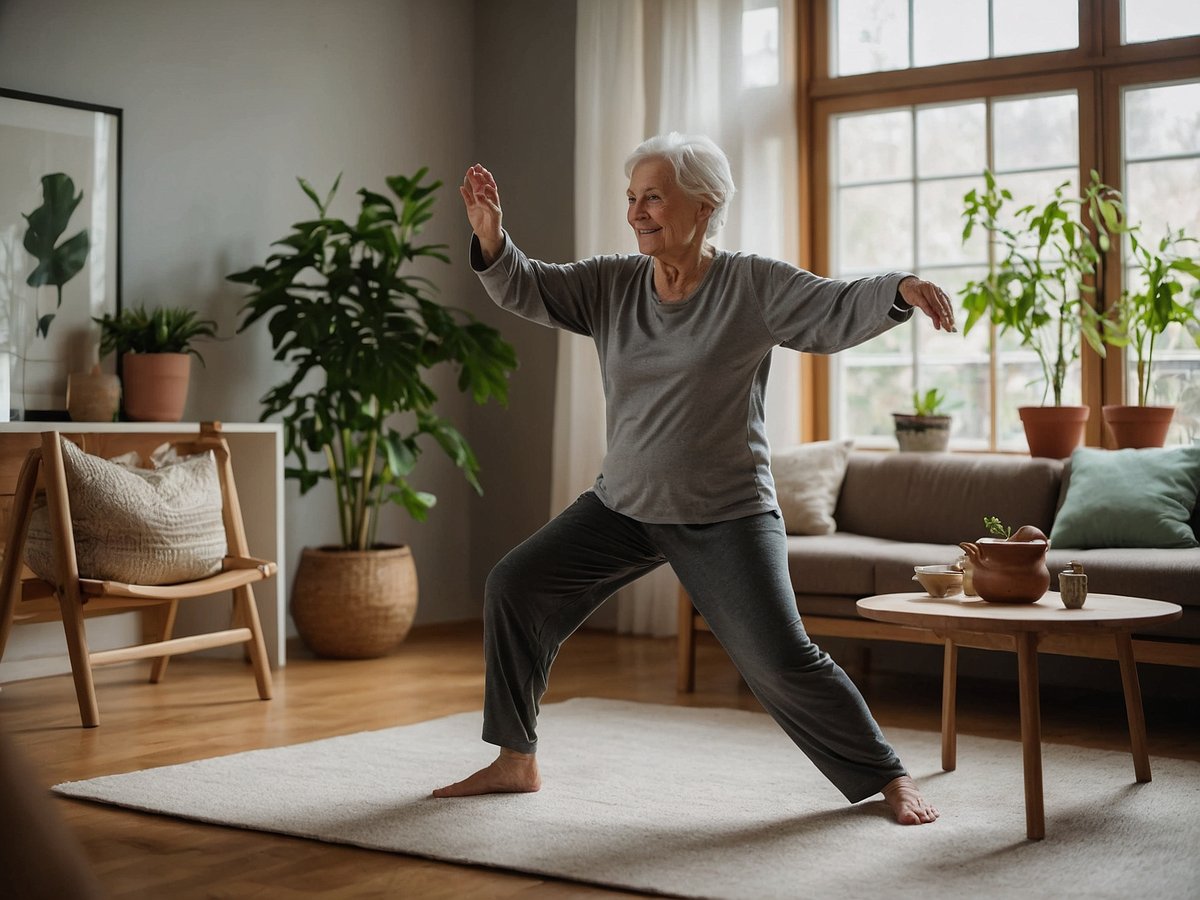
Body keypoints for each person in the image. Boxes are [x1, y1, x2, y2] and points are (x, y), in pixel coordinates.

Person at [433, 133, 954, 825]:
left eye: (653, 196)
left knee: (779, 658)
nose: (637, 212)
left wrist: (901, 290)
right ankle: (514, 759)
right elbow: (531, 287)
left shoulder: (750, 285)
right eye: (631, 198)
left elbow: (831, 307)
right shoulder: (613, 282)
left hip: (726, 511)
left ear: (704, 204)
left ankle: (887, 775)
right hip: (623, 504)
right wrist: (494, 240)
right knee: (516, 583)